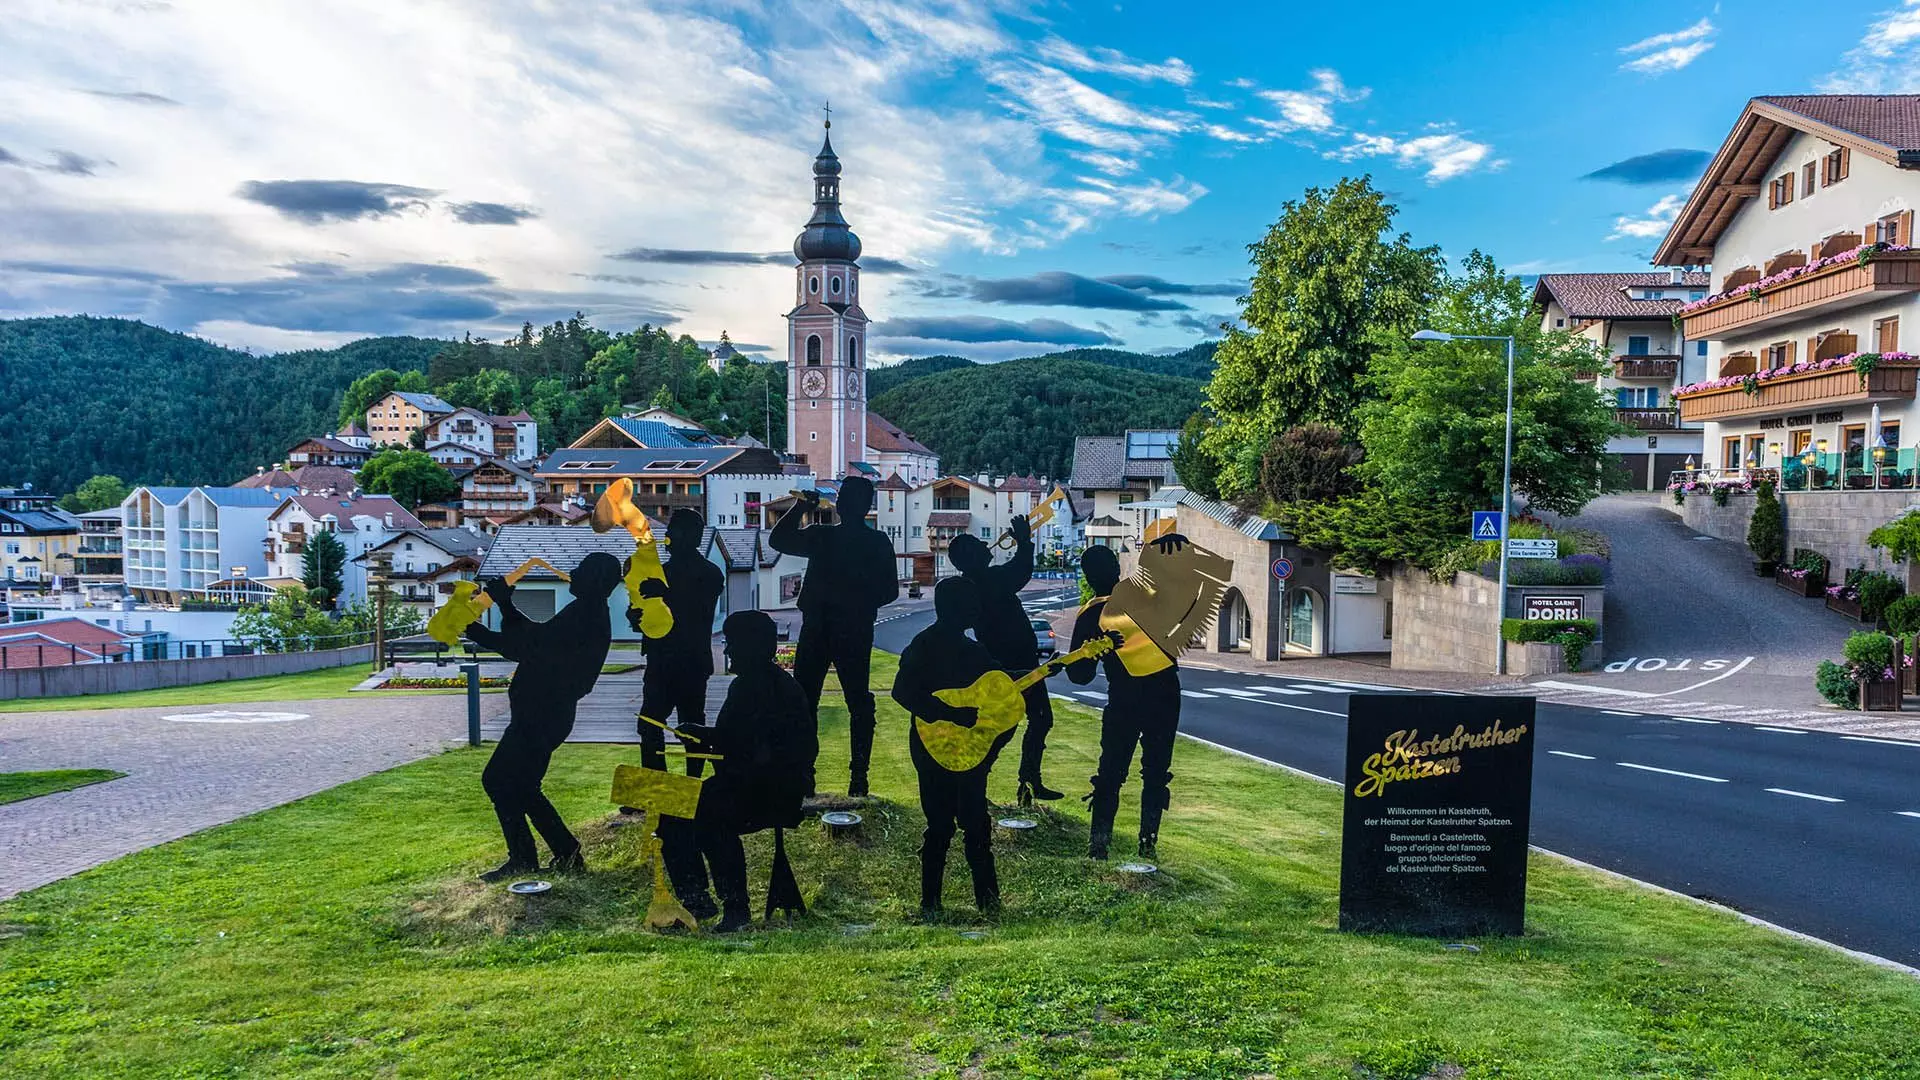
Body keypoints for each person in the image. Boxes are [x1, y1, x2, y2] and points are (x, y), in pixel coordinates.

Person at [465, 551, 621, 883]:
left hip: (541, 715)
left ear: (594, 579)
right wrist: (505, 606)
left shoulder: (586, 614)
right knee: (521, 785)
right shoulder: (586, 612)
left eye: (580, 569)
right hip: (545, 714)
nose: (572, 573)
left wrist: (479, 631)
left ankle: (531, 857)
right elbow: (535, 640)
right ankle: (563, 853)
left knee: (499, 780)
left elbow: (530, 646)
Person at [663, 610, 817, 932]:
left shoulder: (766, 690)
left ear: (753, 647)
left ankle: (732, 907)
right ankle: (699, 901)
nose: (728, 651)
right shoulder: (754, 685)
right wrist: (706, 736)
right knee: (672, 807)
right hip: (750, 784)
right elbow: (737, 741)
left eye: (732, 644)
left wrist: (708, 740)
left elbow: (756, 751)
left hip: (770, 791)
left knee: (703, 814)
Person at [769, 474, 899, 796]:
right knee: (858, 701)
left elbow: (779, 540)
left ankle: (806, 776)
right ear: (867, 507)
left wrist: (801, 507)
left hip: (818, 625)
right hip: (855, 627)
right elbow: (891, 590)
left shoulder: (823, 537)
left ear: (841, 504)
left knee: (806, 701)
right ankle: (859, 779)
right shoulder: (878, 542)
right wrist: (860, 602)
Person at [892, 577, 1003, 916]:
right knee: (950, 824)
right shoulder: (924, 645)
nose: (977, 609)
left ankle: (966, 902)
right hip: (933, 748)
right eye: (971, 603)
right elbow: (903, 692)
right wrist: (951, 715)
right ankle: (947, 902)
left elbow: (996, 688)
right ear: (954, 608)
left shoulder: (973, 650)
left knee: (965, 824)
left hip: (965, 751)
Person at [1065, 542, 1183, 861]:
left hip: (1125, 699)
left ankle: (1099, 845)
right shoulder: (1149, 599)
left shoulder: (1092, 614)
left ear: (1087, 577)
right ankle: (1148, 844)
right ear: (1119, 570)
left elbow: (1079, 676)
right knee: (1156, 773)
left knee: (1111, 772)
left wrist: (1088, 653)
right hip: (1166, 694)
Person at [947, 518, 1060, 803]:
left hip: (1007, 663)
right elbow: (1021, 572)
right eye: (978, 544)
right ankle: (1015, 783)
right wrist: (1024, 541)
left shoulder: (973, 582)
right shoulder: (988, 579)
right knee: (1011, 725)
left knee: (1015, 724)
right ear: (971, 557)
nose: (987, 545)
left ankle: (1018, 784)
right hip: (1011, 664)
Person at [633, 508, 724, 775]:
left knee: (688, 726)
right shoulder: (664, 572)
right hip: (663, 659)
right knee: (653, 725)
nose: (668, 534)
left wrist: (664, 595)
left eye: (674, 529)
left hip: (686, 661)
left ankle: (689, 787)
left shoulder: (708, 573)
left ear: (691, 536)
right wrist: (637, 615)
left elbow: (697, 612)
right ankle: (661, 790)